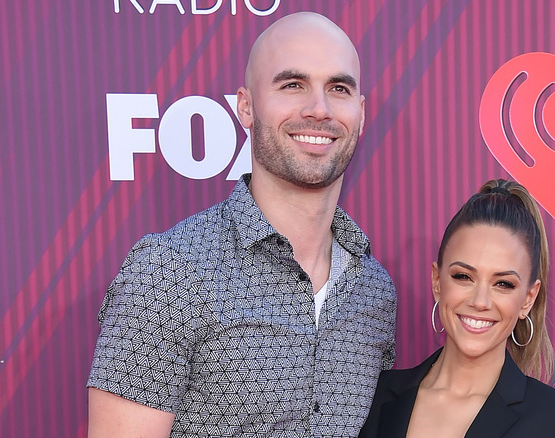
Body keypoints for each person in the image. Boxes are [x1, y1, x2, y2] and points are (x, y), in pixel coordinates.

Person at [87, 12, 397, 438]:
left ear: (360, 113)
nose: (319, 109)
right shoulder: (170, 271)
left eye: (338, 89)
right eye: (293, 84)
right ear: (246, 107)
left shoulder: (374, 291)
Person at [359, 179, 555, 437]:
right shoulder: (374, 396)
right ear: (437, 282)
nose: (480, 301)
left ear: (528, 299)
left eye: (503, 284)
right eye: (463, 276)